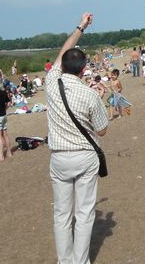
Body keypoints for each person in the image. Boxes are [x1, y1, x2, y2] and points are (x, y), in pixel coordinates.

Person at [45, 13, 109, 264]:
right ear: (84, 70)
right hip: (84, 155)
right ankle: (80, 262)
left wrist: (80, 26)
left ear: (62, 66)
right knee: (84, 213)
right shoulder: (90, 94)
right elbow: (102, 130)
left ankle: (64, 260)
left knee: (61, 213)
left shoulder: (52, 81)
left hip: (59, 156)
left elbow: (64, 50)